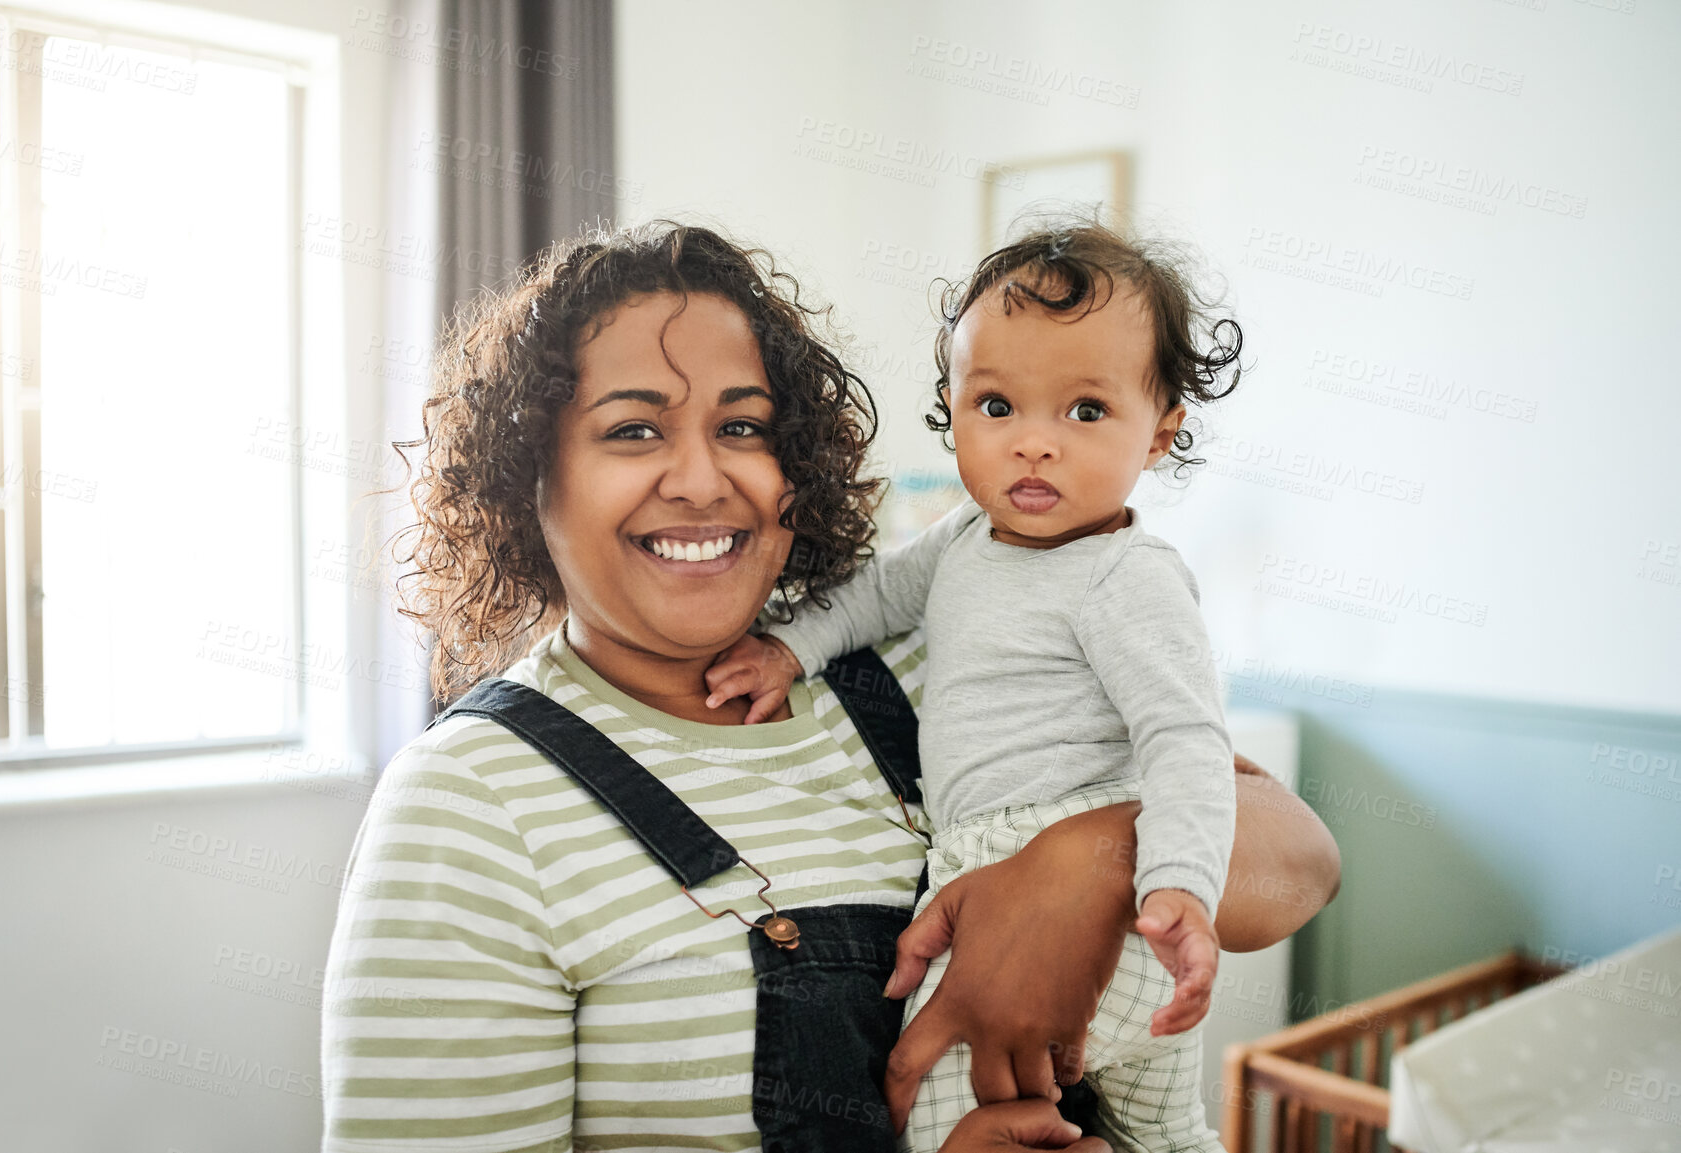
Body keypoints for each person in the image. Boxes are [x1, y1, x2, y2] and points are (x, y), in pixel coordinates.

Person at [318, 220, 1339, 1153]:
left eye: (745, 426)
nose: (701, 478)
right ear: (525, 475)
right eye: (633, 430)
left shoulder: (911, 669)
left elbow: (1297, 860)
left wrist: (1078, 867)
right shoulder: (467, 807)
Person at [705, 220, 1247, 1151]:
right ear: (952, 409)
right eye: (997, 407)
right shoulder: (963, 538)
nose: (1033, 445)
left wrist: (1179, 888)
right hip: (1021, 879)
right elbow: (874, 596)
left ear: (1159, 434)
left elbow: (1184, 742)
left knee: (938, 1114)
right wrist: (790, 648)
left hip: (1078, 901)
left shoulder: (1126, 576)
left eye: (1084, 412)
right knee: (1166, 1133)